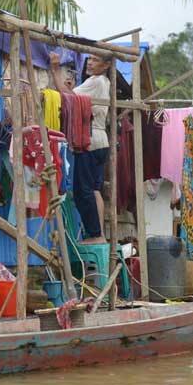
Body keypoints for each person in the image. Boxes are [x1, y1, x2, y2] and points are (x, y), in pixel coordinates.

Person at [50, 52, 111, 244]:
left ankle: (95, 235)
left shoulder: (97, 81)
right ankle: (100, 234)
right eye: (90, 59)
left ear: (106, 65)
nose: (90, 63)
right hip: (101, 142)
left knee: (82, 190)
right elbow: (76, 96)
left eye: (96, 60)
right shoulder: (104, 82)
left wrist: (54, 70)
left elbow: (67, 97)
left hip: (90, 141)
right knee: (94, 190)